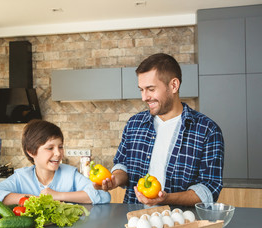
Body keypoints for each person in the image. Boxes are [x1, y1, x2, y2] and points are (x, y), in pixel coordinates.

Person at [94, 53, 224, 206]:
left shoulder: (207, 130)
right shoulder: (134, 124)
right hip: (134, 220)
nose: (144, 97)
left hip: (179, 222)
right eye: (141, 90)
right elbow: (122, 165)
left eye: (150, 89)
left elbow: (208, 190)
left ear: (174, 85)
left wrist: (166, 198)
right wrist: (114, 180)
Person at [0, 119, 111, 205]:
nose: (58, 153)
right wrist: (35, 200)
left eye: (60, 147)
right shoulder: (21, 177)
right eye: (50, 148)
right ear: (31, 151)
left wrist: (57, 196)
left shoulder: (70, 174)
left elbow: (103, 196)